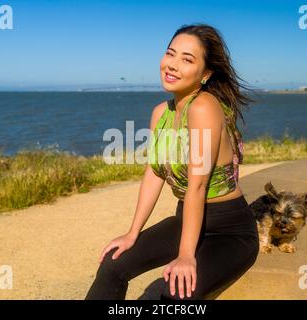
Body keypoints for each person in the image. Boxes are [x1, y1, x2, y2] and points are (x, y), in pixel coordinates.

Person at [85, 23, 259, 300]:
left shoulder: (204, 107)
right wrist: (133, 233)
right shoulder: (160, 113)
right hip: (186, 220)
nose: (173, 65)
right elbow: (154, 174)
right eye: (170, 54)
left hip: (229, 231)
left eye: (187, 59)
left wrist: (185, 256)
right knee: (113, 265)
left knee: (176, 293)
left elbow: (197, 187)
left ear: (206, 74)